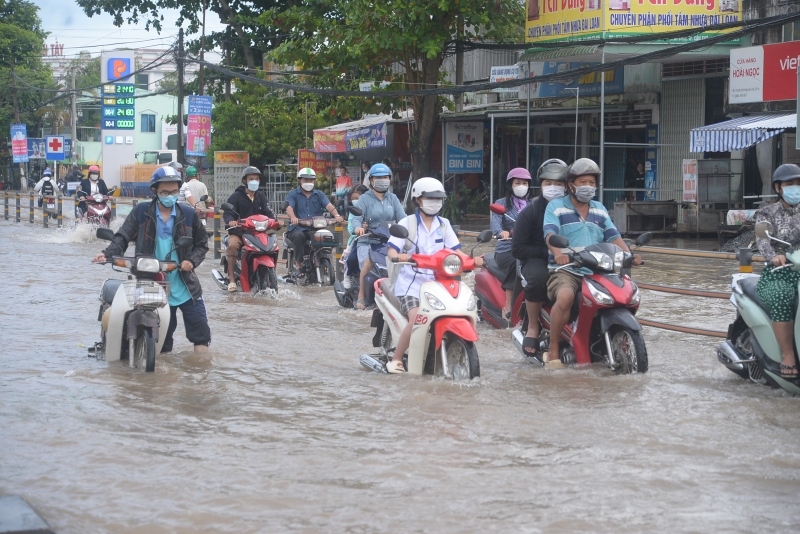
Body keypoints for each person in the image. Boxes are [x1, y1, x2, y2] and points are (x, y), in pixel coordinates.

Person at [91, 166, 211, 354]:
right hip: (152, 285)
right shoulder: (141, 212)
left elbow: (202, 243)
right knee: (161, 341)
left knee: (201, 334)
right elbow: (123, 235)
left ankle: (201, 374)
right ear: (155, 191)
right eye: (165, 192)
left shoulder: (188, 214)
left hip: (186, 286)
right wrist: (107, 254)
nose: (169, 196)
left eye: (173, 192)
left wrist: (192, 261)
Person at [542, 158, 641, 368]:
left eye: (592, 182)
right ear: (571, 185)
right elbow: (550, 233)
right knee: (566, 295)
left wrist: (629, 254)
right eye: (583, 181)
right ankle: (553, 350)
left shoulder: (599, 209)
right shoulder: (556, 207)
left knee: (623, 294)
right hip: (566, 269)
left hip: (597, 269)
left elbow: (613, 235)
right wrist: (558, 253)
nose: (588, 186)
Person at [384, 177, 484, 374]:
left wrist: (475, 260)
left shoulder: (444, 225)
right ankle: (396, 359)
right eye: (430, 198)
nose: (435, 202)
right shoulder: (407, 223)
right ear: (418, 200)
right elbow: (391, 251)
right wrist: (399, 256)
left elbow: (456, 252)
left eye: (438, 198)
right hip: (411, 285)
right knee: (416, 319)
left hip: (439, 283)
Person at [511, 159, 568, 357]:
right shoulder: (530, 212)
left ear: (567, 186)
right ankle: (533, 325)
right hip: (537, 259)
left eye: (558, 184)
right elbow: (518, 249)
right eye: (548, 183)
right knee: (538, 279)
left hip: (570, 259)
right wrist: (549, 253)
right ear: (541, 185)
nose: (553, 188)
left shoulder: (574, 210)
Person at [755, 163, 800, 379]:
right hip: (778, 272)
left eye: (799, 183)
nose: (796, 187)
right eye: (790, 184)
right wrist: (774, 256)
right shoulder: (767, 212)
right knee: (782, 297)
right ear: (778, 188)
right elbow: (763, 240)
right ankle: (788, 355)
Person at [350, 163, 406, 309]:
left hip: (388, 241)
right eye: (379, 177)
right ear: (371, 180)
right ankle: (361, 296)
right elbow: (357, 217)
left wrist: (411, 228)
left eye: (385, 177)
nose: (383, 180)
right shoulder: (364, 199)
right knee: (367, 264)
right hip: (368, 240)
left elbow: (403, 219)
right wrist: (357, 228)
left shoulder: (393, 199)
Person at [223, 166, 278, 292]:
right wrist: (230, 221)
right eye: (251, 179)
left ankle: (272, 277)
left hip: (258, 233)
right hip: (239, 232)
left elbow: (268, 212)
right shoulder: (236, 196)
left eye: (256, 179)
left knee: (273, 246)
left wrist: (275, 221)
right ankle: (231, 279)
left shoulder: (261, 197)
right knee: (232, 245)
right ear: (245, 181)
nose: (254, 181)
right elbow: (227, 213)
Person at [491, 167, 534, 321]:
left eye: (525, 183)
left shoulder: (533, 205)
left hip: (528, 248)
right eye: (517, 183)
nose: (521, 186)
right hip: (506, 249)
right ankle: (509, 304)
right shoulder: (501, 204)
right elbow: (495, 226)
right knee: (516, 262)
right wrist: (503, 232)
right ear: (510, 185)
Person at [284, 167, 343, 277]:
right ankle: (298, 265)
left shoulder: (319, 194)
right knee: (299, 236)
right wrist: (293, 217)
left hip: (315, 228)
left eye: (311, 180)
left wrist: (337, 215)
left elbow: (328, 205)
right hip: (298, 228)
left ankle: (324, 258)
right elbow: (289, 207)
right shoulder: (293, 194)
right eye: (305, 180)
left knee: (327, 236)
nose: (308, 183)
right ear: (300, 180)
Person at [342, 184, 369, 289]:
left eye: (357, 198)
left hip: (373, 238)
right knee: (352, 258)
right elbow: (350, 228)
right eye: (352, 199)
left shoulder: (371, 207)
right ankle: (347, 275)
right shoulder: (353, 211)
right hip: (357, 239)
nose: (354, 200)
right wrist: (358, 228)